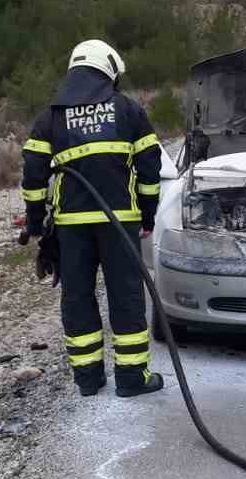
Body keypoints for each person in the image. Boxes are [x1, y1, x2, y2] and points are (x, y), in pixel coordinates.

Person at [21, 40, 166, 399]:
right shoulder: (128, 110)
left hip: (71, 228)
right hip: (120, 223)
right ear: (108, 70)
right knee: (126, 296)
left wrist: (36, 223)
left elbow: (33, 175)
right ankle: (131, 378)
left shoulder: (51, 116)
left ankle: (88, 379)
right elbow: (150, 169)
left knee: (77, 298)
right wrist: (149, 214)